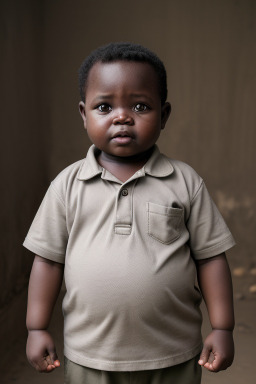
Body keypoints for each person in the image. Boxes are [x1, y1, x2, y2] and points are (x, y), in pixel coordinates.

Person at [24, 42, 235, 384]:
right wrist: (36, 327)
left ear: (164, 115)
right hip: (91, 357)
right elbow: (48, 261)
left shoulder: (184, 182)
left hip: (173, 354)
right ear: (84, 114)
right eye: (104, 106)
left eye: (140, 105)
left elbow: (211, 258)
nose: (122, 116)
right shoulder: (68, 185)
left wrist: (223, 327)